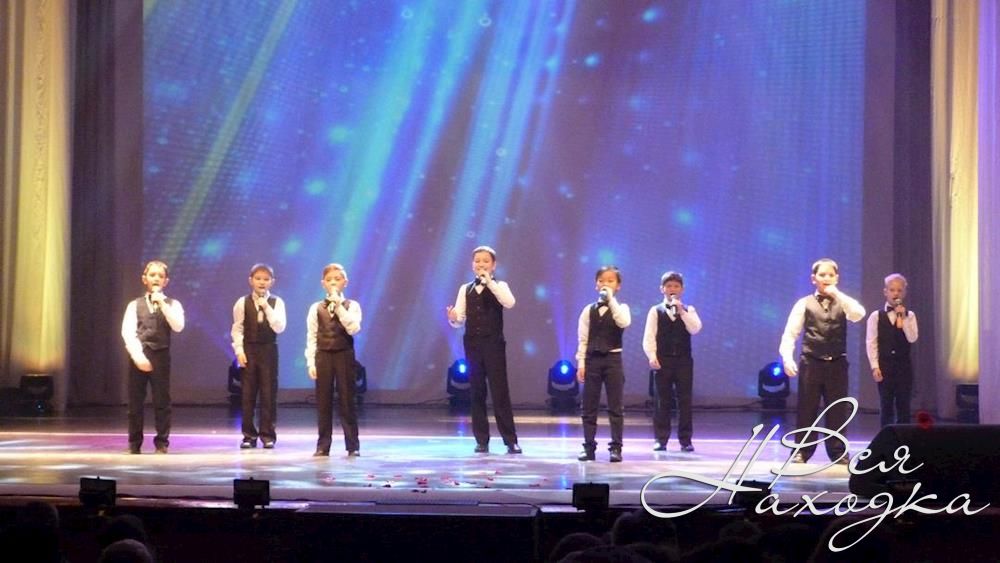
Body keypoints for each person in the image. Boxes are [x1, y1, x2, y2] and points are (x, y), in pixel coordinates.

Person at [779, 258, 865, 464]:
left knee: (838, 409)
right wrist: (787, 358)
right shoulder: (804, 303)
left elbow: (859, 314)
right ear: (813, 278)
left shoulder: (843, 302)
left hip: (837, 363)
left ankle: (838, 452)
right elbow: (790, 333)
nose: (826, 278)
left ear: (837, 278)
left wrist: (837, 294)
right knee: (807, 408)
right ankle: (802, 450)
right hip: (812, 362)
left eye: (831, 275)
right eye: (822, 275)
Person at [446, 245, 522, 454]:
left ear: (493, 265)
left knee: (500, 392)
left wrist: (489, 283)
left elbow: (509, 303)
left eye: (486, 261)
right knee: (477, 391)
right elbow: (460, 319)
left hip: (494, 344)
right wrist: (453, 319)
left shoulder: (500, 285)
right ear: (472, 265)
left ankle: (510, 440)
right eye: (477, 261)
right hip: (472, 345)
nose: (481, 264)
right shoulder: (465, 289)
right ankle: (481, 440)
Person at [121, 260, 185, 454]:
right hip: (140, 354)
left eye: (160, 276)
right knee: (135, 402)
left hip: (161, 355)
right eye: (152, 275)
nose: (156, 278)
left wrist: (162, 304)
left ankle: (162, 442)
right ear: (144, 279)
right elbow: (128, 332)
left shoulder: (173, 304)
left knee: (162, 401)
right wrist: (138, 357)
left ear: (166, 281)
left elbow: (178, 326)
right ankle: (134, 443)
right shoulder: (134, 305)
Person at [305, 263, 362, 457]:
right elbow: (311, 336)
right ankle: (323, 445)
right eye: (329, 280)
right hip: (323, 355)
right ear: (323, 283)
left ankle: (352, 445)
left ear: (345, 282)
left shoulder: (352, 306)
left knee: (347, 400)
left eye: (337, 279)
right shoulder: (316, 308)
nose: (333, 283)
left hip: (344, 354)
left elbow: (353, 328)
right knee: (323, 402)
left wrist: (338, 307)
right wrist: (311, 362)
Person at [642, 271, 702, 453]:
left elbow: (695, 329)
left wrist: (682, 311)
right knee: (662, 401)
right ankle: (661, 439)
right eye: (669, 286)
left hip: (683, 361)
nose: (672, 289)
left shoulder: (689, 310)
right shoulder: (656, 311)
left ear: (682, 289)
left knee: (685, 400)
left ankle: (685, 440)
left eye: (676, 286)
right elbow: (649, 335)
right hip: (663, 360)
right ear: (662, 289)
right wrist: (652, 355)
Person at [576, 265, 632, 462]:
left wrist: (611, 300)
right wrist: (581, 363)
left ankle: (616, 448)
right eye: (602, 281)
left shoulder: (622, 308)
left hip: (613, 360)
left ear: (618, 286)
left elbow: (623, 322)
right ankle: (588, 447)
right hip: (592, 360)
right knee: (589, 406)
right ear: (596, 284)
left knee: (615, 406)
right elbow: (583, 339)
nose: (605, 284)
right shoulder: (588, 310)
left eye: (610, 281)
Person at [231, 263, 287, 449]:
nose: (262, 282)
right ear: (251, 280)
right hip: (249, 350)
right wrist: (239, 350)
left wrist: (266, 306)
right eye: (258, 278)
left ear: (272, 282)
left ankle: (268, 435)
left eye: (266, 279)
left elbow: (279, 327)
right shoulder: (242, 302)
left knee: (268, 394)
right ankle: (248, 435)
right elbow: (237, 328)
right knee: (248, 394)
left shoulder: (277, 302)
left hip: (268, 350)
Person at [865, 273, 918, 426]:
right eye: (892, 290)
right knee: (886, 403)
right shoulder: (876, 316)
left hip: (903, 365)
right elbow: (871, 342)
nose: (896, 293)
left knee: (903, 404)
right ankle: (886, 436)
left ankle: (904, 437)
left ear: (904, 293)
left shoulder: (910, 315)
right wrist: (875, 366)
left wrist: (903, 318)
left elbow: (912, 338)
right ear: (885, 292)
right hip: (885, 365)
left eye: (899, 290)